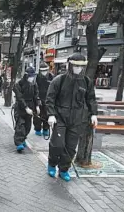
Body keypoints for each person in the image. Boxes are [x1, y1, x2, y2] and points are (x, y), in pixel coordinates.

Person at [46, 53, 98, 182]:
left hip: (77, 120)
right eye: (75, 66)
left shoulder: (86, 82)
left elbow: (91, 99)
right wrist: (51, 114)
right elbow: (50, 98)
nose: (78, 68)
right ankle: (52, 164)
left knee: (70, 147)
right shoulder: (59, 80)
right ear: (70, 65)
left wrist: (94, 114)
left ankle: (64, 169)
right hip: (60, 118)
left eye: (80, 66)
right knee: (57, 145)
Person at [13, 67, 41, 153]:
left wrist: (37, 105)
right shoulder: (19, 84)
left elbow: (36, 95)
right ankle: (19, 143)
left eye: (33, 76)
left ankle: (23, 138)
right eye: (30, 76)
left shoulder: (34, 84)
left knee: (28, 126)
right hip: (20, 108)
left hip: (31, 107)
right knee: (20, 125)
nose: (31, 78)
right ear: (26, 75)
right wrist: (26, 107)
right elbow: (19, 97)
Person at [34, 62, 53, 136]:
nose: (44, 72)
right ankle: (38, 129)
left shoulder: (51, 77)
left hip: (48, 100)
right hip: (38, 99)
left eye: (45, 70)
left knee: (47, 115)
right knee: (37, 116)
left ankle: (46, 129)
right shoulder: (36, 78)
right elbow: (34, 89)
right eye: (42, 70)